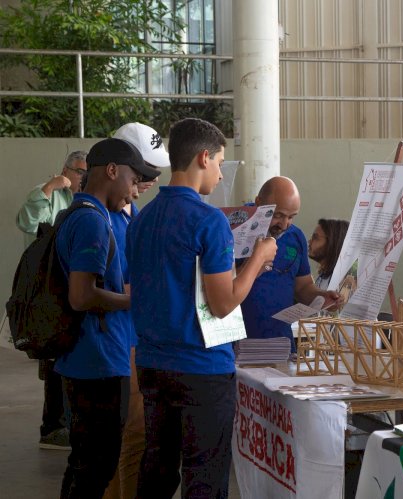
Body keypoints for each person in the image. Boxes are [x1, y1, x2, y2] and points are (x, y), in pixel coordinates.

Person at [127, 118, 277, 498]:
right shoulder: (209, 221)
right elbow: (223, 303)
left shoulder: (141, 219)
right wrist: (257, 261)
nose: (219, 172)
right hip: (201, 370)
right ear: (203, 157)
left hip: (152, 365)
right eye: (220, 161)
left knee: (158, 469)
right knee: (205, 478)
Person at [54, 138, 157, 498]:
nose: (134, 191)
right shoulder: (93, 222)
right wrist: (131, 299)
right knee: (95, 469)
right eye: (133, 181)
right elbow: (81, 296)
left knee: (85, 467)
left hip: (88, 359)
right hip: (96, 362)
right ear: (111, 171)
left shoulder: (79, 214)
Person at [103, 122, 170, 499]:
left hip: (133, 337)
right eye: (144, 173)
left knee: (128, 442)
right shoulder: (105, 216)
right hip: (119, 342)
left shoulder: (130, 208)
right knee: (132, 441)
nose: (150, 180)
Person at [16, 150, 87, 451]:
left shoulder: (85, 200)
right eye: (79, 172)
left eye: (87, 172)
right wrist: (50, 187)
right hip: (47, 288)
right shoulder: (49, 196)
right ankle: (53, 426)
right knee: (55, 357)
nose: (83, 178)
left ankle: (67, 422)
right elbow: (27, 221)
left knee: (68, 356)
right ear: (66, 171)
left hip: (72, 285)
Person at [239, 177, 340, 352]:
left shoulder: (295, 237)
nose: (284, 225)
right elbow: (221, 286)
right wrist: (254, 264)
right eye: (278, 215)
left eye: (291, 217)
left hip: (281, 344)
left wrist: (323, 297)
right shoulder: (234, 228)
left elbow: (303, 288)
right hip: (238, 345)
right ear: (258, 202)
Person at [308, 218, 349, 289]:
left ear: (332, 243)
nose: (309, 241)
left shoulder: (339, 285)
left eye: (315, 238)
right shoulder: (324, 276)